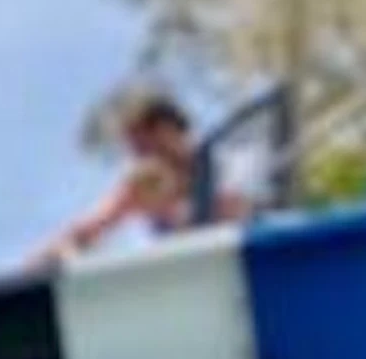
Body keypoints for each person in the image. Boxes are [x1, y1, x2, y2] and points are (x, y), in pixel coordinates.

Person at [35, 87, 233, 265]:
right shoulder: (141, 187)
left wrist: (180, 211)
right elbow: (87, 229)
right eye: (135, 150)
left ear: (167, 129)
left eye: (143, 144)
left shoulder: (227, 158)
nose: (140, 156)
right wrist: (56, 252)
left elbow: (240, 209)